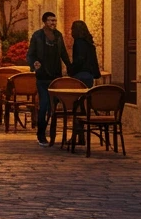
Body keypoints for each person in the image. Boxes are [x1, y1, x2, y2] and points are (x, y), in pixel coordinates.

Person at [27, 11, 72, 147]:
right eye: (51, 21)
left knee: (52, 108)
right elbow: (30, 54)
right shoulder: (38, 36)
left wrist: (70, 67)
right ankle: (41, 134)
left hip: (56, 76)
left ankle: (50, 133)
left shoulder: (58, 36)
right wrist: (34, 63)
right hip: (42, 76)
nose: (53, 23)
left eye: (55, 21)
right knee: (44, 104)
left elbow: (63, 53)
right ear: (45, 22)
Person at [69, 20, 101, 87]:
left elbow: (79, 59)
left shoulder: (78, 42)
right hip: (89, 75)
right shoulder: (89, 42)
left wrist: (71, 70)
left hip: (80, 74)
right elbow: (94, 59)